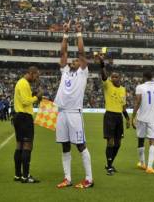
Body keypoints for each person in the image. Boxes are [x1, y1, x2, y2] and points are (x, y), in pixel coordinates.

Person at [55, 21, 94, 189]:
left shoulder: (82, 73)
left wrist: (78, 33)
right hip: (61, 113)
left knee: (80, 145)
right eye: (73, 60)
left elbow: (81, 53)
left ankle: (89, 179)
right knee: (64, 145)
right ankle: (68, 178)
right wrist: (65, 33)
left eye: (76, 61)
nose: (73, 61)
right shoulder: (65, 71)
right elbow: (63, 52)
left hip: (74, 113)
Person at [97, 54, 130, 176]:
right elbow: (104, 75)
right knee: (110, 142)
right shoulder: (107, 85)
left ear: (120, 78)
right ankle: (109, 166)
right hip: (109, 116)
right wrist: (102, 63)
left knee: (118, 143)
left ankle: (109, 164)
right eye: (113, 77)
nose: (114, 78)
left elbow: (123, 106)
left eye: (116, 77)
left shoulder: (123, 89)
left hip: (119, 118)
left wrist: (127, 118)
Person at [13, 66, 43, 183]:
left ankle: (18, 175)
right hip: (25, 117)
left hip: (18, 116)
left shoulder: (21, 83)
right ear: (31, 73)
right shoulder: (24, 83)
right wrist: (37, 97)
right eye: (36, 75)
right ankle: (26, 176)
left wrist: (33, 96)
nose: (37, 78)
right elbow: (26, 102)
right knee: (27, 146)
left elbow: (25, 99)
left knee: (19, 145)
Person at [131, 71, 154, 174]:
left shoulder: (140, 87)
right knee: (153, 141)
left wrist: (133, 116)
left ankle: (142, 163)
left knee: (140, 139)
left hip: (142, 118)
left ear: (144, 77)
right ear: (152, 77)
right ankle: (149, 167)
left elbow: (138, 102)